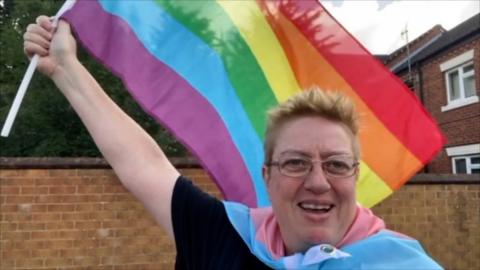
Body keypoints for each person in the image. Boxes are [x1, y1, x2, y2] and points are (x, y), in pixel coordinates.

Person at [23, 16, 442, 269]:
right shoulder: (226, 236)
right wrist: (65, 69)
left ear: (354, 175)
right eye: (296, 162)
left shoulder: (400, 262)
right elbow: (144, 166)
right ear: (267, 175)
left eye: (336, 164)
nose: (318, 181)